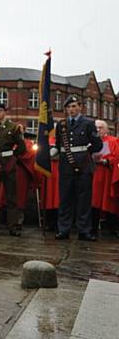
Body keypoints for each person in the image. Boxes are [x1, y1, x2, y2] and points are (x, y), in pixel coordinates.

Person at [54, 95, 103, 241]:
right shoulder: (61, 125)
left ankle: (84, 231)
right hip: (66, 167)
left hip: (84, 166)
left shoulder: (88, 123)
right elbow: (58, 144)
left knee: (84, 199)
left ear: (80, 107)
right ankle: (64, 229)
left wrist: (86, 153)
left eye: (74, 106)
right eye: (68, 107)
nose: (71, 109)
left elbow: (97, 144)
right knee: (65, 199)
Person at [0, 103, 26, 237]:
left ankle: (12, 227)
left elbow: (21, 147)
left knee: (11, 197)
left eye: (1, 111)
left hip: (8, 164)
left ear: (5, 113)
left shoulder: (13, 127)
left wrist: (13, 158)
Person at [90, 120, 119, 237]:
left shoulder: (113, 141)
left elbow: (117, 157)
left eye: (101, 127)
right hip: (94, 175)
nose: (98, 130)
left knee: (109, 201)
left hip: (108, 175)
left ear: (107, 129)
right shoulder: (91, 142)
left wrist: (105, 160)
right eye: (96, 128)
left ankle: (112, 228)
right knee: (94, 202)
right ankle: (92, 229)